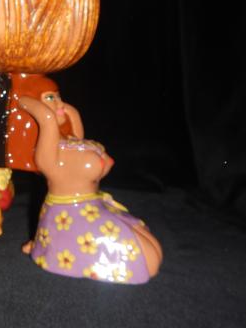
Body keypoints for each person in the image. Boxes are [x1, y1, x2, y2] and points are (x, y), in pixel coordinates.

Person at [18, 95, 163, 284]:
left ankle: (44, 247)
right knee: (139, 253)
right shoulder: (50, 158)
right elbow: (46, 119)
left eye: (59, 96)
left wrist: (70, 112)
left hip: (92, 206)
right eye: (51, 97)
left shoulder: (70, 143)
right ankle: (52, 253)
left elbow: (73, 128)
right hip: (69, 216)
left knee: (144, 240)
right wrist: (22, 99)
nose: (60, 103)